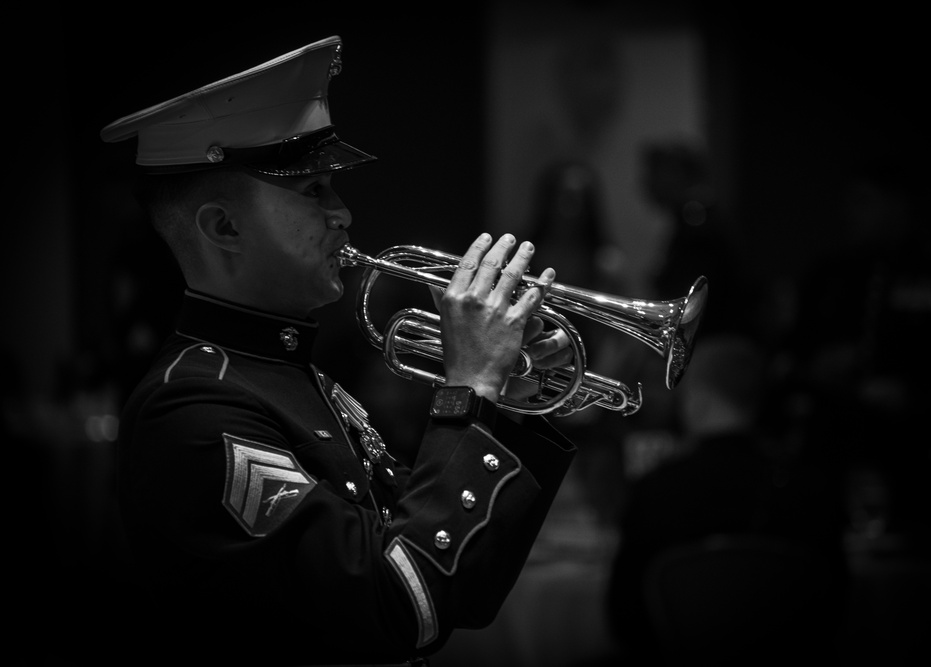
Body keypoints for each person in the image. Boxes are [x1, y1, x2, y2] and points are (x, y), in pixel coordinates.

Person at [101, 36, 578, 665]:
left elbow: (458, 588)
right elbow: (399, 608)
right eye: (313, 191)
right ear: (224, 227)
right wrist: (470, 384)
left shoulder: (292, 376)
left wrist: (508, 406)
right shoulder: (193, 409)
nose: (343, 213)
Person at [604, 334, 848, 665]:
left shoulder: (658, 488)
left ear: (696, 401)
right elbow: (835, 606)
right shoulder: (810, 486)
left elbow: (625, 616)